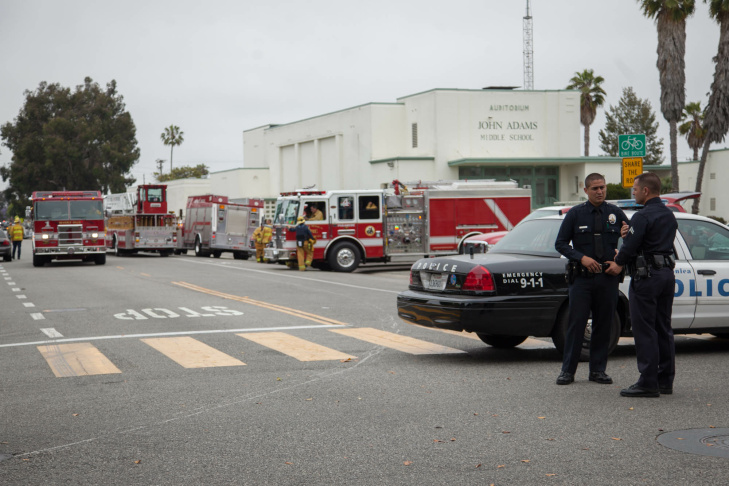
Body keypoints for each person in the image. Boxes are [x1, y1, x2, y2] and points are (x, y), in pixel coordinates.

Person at [605, 172, 678, 398]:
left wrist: (618, 260)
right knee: (663, 328)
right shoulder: (669, 215)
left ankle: (647, 382)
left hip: (647, 278)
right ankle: (665, 380)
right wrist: (630, 237)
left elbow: (630, 248)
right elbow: (654, 242)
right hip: (666, 275)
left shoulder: (642, 216)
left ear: (646, 191)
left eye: (635, 189)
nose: (633, 192)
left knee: (644, 329)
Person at [554, 173, 629, 386]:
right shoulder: (576, 214)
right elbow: (560, 244)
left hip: (607, 278)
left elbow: (632, 239)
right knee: (576, 324)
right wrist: (582, 258)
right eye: (595, 188)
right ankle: (567, 371)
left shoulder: (615, 213)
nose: (599, 191)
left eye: (602, 187)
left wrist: (620, 262)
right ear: (586, 191)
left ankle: (598, 371)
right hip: (582, 279)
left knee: (603, 325)